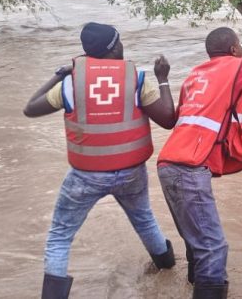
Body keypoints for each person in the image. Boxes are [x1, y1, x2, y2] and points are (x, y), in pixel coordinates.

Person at [23, 22, 178, 299]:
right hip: (131, 173)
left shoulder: (69, 85)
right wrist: (163, 77)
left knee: (60, 235)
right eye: (119, 43)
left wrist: (59, 75)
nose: (122, 47)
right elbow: (168, 118)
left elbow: (30, 109)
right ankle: (167, 267)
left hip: (85, 176)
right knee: (144, 219)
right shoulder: (137, 79)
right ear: (113, 47)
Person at [157, 27, 242, 299]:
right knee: (213, 247)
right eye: (240, 45)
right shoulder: (236, 67)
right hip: (189, 167)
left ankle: (196, 286)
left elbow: (171, 120)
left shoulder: (194, 75)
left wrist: (163, 81)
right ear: (233, 50)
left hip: (168, 164)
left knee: (197, 244)